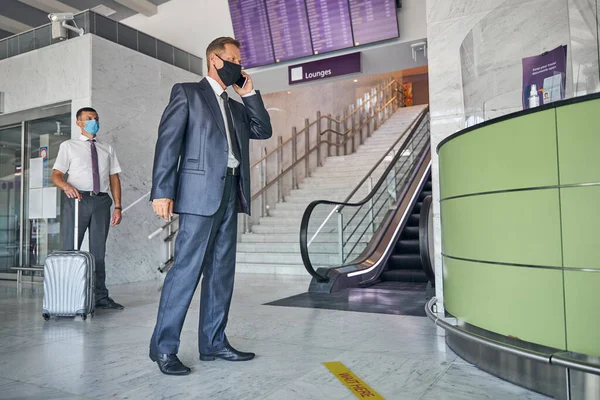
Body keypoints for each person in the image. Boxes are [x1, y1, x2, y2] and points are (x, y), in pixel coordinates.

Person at [149, 37, 272, 376]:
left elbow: (262, 130)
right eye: (233, 59)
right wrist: (162, 191)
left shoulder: (235, 106)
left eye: (240, 60)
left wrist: (248, 94)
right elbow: (168, 142)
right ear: (215, 60)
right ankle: (164, 349)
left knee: (221, 273)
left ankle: (214, 342)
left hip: (232, 191)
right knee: (185, 272)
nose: (239, 65)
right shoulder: (187, 93)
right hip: (197, 194)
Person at [52, 107, 124, 310]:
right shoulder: (69, 146)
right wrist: (66, 185)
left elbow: (114, 178)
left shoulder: (107, 148)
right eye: (89, 118)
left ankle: (100, 296)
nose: (94, 121)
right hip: (77, 200)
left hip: (101, 201)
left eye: (96, 118)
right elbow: (56, 174)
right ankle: (67, 295)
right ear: (79, 123)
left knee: (98, 252)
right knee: (70, 248)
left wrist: (118, 206)